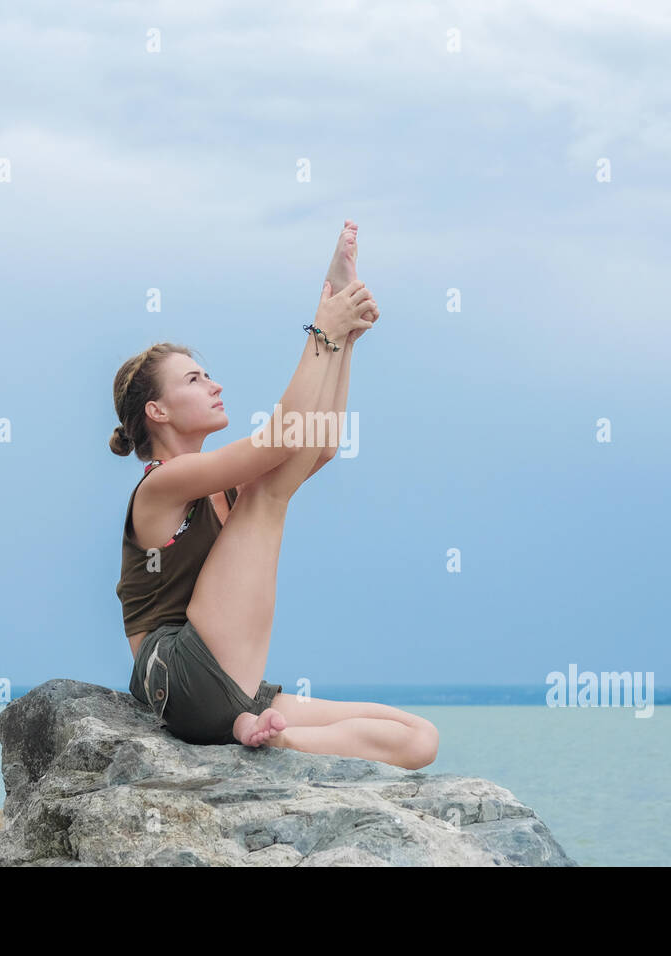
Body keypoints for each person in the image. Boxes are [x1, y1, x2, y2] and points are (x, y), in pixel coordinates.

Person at [110, 221, 438, 769]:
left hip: (229, 683)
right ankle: (239, 723)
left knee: (417, 737)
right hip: (177, 677)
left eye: (208, 374)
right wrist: (322, 333)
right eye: (193, 380)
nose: (214, 384)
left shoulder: (220, 485)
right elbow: (281, 441)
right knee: (269, 487)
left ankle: (268, 737)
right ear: (157, 412)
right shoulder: (159, 486)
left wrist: (345, 340)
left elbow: (318, 446)